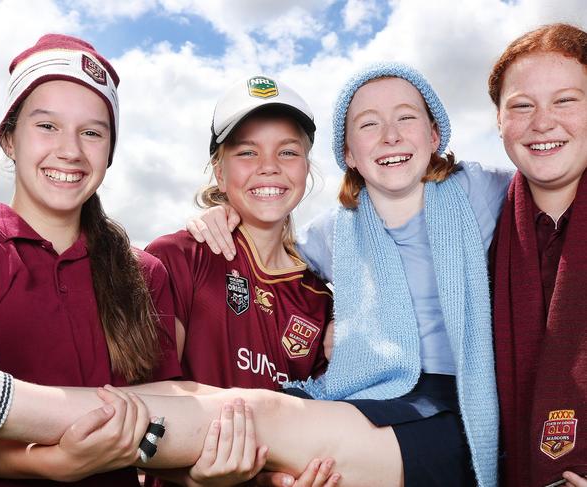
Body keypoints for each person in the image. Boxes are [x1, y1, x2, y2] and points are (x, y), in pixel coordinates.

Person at [187, 63, 514, 486]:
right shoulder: (333, 230)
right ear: (348, 154)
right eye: (369, 124)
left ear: (434, 135)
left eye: (406, 117)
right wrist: (227, 211)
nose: (390, 135)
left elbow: (557, 186)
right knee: (254, 417)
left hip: (455, 394)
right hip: (369, 386)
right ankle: (110, 413)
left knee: (260, 420)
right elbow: (273, 253)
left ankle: (109, 416)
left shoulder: (482, 189)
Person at [0, 34, 181, 487]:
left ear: (109, 151)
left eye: (92, 132)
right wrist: (48, 464)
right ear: (9, 138)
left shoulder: (145, 273)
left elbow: (167, 409)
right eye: (46, 126)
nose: (70, 150)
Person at [144, 76, 337, 485]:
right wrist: (196, 477)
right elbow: (145, 406)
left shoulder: (320, 298)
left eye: (288, 151)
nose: (269, 166)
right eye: (247, 152)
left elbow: (318, 423)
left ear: (306, 167)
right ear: (219, 169)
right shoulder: (178, 257)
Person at [488, 23, 587, 487]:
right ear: (498, 122)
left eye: (566, 100)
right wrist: (235, 218)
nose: (542, 122)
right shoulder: (474, 220)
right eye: (521, 106)